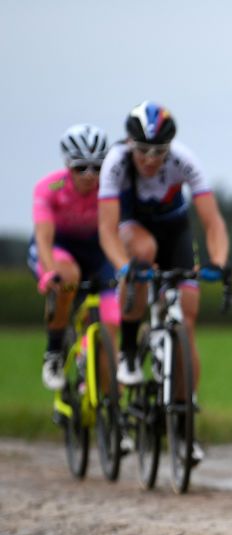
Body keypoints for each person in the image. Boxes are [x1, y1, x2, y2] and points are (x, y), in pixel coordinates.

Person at [97, 101, 231, 459]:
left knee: (187, 318)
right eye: (143, 150)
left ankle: (185, 427)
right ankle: (128, 351)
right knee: (142, 251)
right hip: (132, 230)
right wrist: (123, 266)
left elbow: (213, 222)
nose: (151, 159)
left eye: (159, 151)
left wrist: (217, 261)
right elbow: (107, 230)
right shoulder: (116, 164)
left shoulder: (184, 160)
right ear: (130, 144)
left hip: (176, 232)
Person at [29, 124, 118, 390]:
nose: (90, 175)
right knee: (68, 278)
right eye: (81, 167)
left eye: (97, 167)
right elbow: (44, 237)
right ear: (68, 165)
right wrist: (48, 273)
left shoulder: (110, 189)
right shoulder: (49, 188)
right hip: (59, 248)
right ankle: (54, 351)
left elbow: (118, 232)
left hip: (97, 251)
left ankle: (98, 383)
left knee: (112, 319)